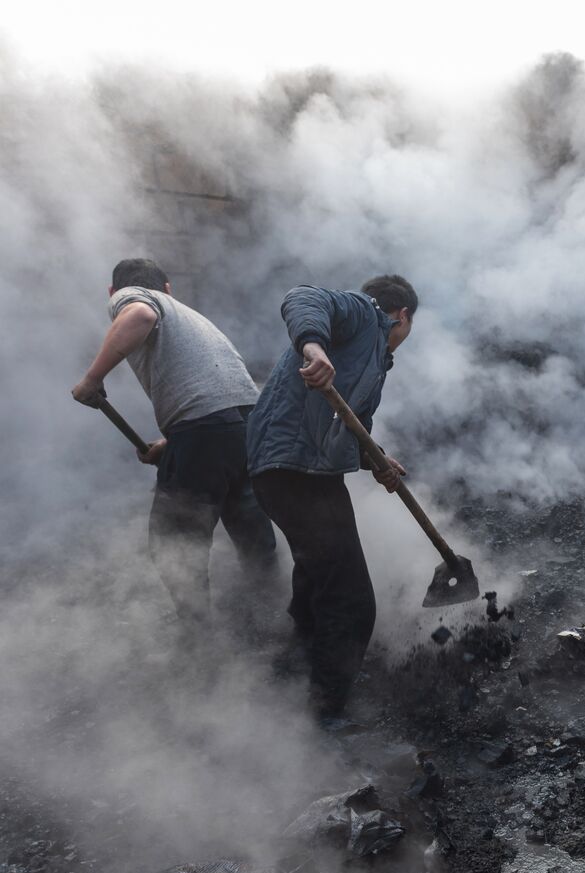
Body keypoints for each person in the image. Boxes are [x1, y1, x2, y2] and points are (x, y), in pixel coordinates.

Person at [70, 258, 277, 632]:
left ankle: (198, 639)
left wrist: (91, 378)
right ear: (169, 287)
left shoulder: (135, 297)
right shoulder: (191, 316)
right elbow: (221, 400)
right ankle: (268, 620)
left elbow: (139, 317)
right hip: (247, 427)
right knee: (250, 527)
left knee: (174, 539)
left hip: (205, 429)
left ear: (112, 293)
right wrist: (170, 444)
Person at [246, 276, 416, 720]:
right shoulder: (365, 314)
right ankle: (322, 718)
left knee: (316, 582)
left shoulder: (374, 362)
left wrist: (377, 461)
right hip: (296, 468)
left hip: (300, 472)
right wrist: (313, 348)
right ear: (404, 316)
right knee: (352, 602)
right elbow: (303, 296)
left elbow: (351, 425)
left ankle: (288, 681)